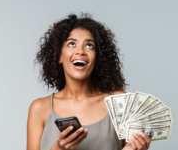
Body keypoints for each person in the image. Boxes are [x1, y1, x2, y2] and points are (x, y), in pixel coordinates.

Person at [27, 13, 151, 150]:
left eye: (89, 46)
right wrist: (58, 148)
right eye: (72, 44)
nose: (80, 51)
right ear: (58, 56)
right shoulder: (39, 108)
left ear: (98, 58)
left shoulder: (119, 101)